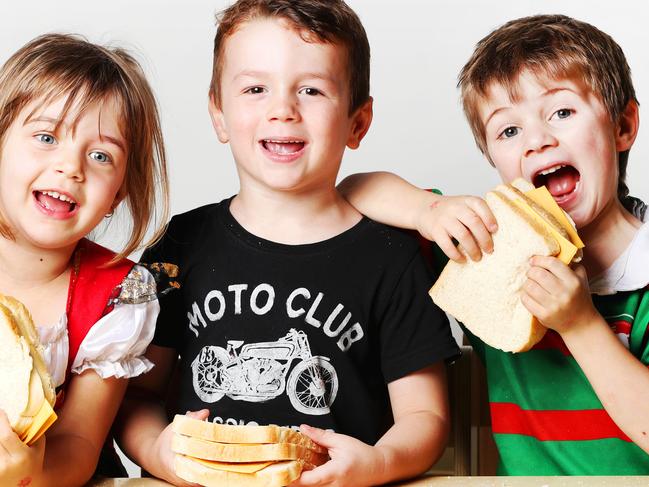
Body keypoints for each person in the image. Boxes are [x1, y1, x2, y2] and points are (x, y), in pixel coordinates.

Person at [115, 1, 460, 485]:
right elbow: (137, 396)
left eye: (312, 90)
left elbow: (425, 418)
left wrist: (378, 462)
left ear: (357, 122)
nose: (283, 110)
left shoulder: (392, 256)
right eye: (256, 88)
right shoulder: (180, 243)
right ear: (218, 113)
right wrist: (157, 451)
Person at [340, 14, 649, 475]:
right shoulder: (483, 244)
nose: (538, 142)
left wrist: (580, 324)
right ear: (492, 158)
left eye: (562, 112)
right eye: (508, 131)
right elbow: (353, 190)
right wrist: (428, 211)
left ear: (622, 127)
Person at [0, 33, 169, 486]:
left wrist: (25, 475)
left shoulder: (119, 295)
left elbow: (78, 444)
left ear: (118, 195)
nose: (71, 168)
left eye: (100, 156)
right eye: (46, 136)